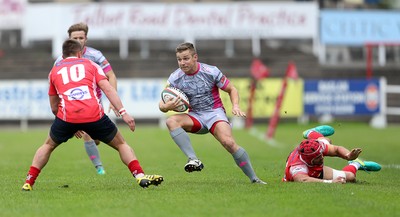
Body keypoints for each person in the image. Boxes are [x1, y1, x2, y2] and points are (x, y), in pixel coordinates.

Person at [22, 39, 163, 191]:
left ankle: (28, 182)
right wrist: (123, 113)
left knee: (48, 145)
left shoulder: (54, 72)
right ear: (79, 53)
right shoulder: (91, 65)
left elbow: (54, 106)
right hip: (94, 115)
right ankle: (139, 176)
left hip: (67, 117)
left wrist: (70, 124)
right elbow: (108, 89)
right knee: (121, 144)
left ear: (62, 55)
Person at [158, 42, 266, 184]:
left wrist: (236, 105)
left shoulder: (211, 71)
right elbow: (161, 103)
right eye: (179, 59)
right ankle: (193, 159)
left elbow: (231, 89)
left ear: (195, 57)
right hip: (195, 116)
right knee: (171, 121)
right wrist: (166, 107)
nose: (182, 63)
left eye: (186, 58)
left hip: (214, 114)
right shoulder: (175, 78)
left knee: (229, 143)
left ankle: (254, 178)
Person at [54, 22, 118, 175]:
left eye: (81, 37)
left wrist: (113, 101)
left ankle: (96, 150)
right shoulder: (60, 61)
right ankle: (99, 167)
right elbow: (56, 87)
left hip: (94, 100)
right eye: (75, 38)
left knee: (95, 138)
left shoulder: (95, 56)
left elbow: (111, 75)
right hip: (73, 103)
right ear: (69, 39)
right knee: (87, 135)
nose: (78, 40)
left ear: (86, 39)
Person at [283, 125, 381, 183]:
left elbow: (337, 149)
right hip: (310, 171)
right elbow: (304, 180)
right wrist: (330, 182)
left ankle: (311, 133)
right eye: (318, 157)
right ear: (310, 160)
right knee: (350, 177)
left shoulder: (318, 148)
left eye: (321, 154)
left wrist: (348, 155)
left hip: (312, 164)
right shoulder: (297, 167)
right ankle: (356, 164)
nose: (322, 157)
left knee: (327, 141)